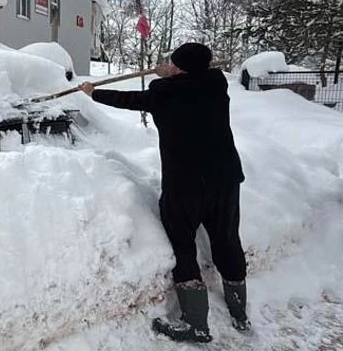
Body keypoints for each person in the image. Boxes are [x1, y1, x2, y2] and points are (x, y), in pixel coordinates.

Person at [78, 43, 250, 343]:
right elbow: (195, 79)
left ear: (178, 68)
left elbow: (129, 99)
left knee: (184, 247)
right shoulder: (216, 84)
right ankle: (239, 313)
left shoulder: (163, 93)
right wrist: (171, 73)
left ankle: (196, 323)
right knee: (227, 240)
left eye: (172, 63)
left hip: (185, 186)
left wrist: (94, 92)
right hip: (225, 181)